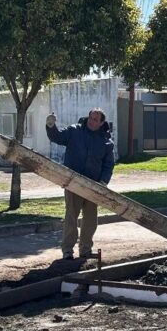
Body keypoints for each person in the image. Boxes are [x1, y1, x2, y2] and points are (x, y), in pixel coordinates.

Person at [46, 108, 115, 260]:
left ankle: (85, 250)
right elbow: (57, 137)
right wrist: (51, 126)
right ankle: (67, 251)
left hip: (93, 185)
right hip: (73, 182)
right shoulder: (74, 131)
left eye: (96, 119)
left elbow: (108, 164)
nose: (92, 121)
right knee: (71, 216)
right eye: (91, 118)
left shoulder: (106, 141)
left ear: (101, 122)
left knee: (90, 219)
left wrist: (103, 181)